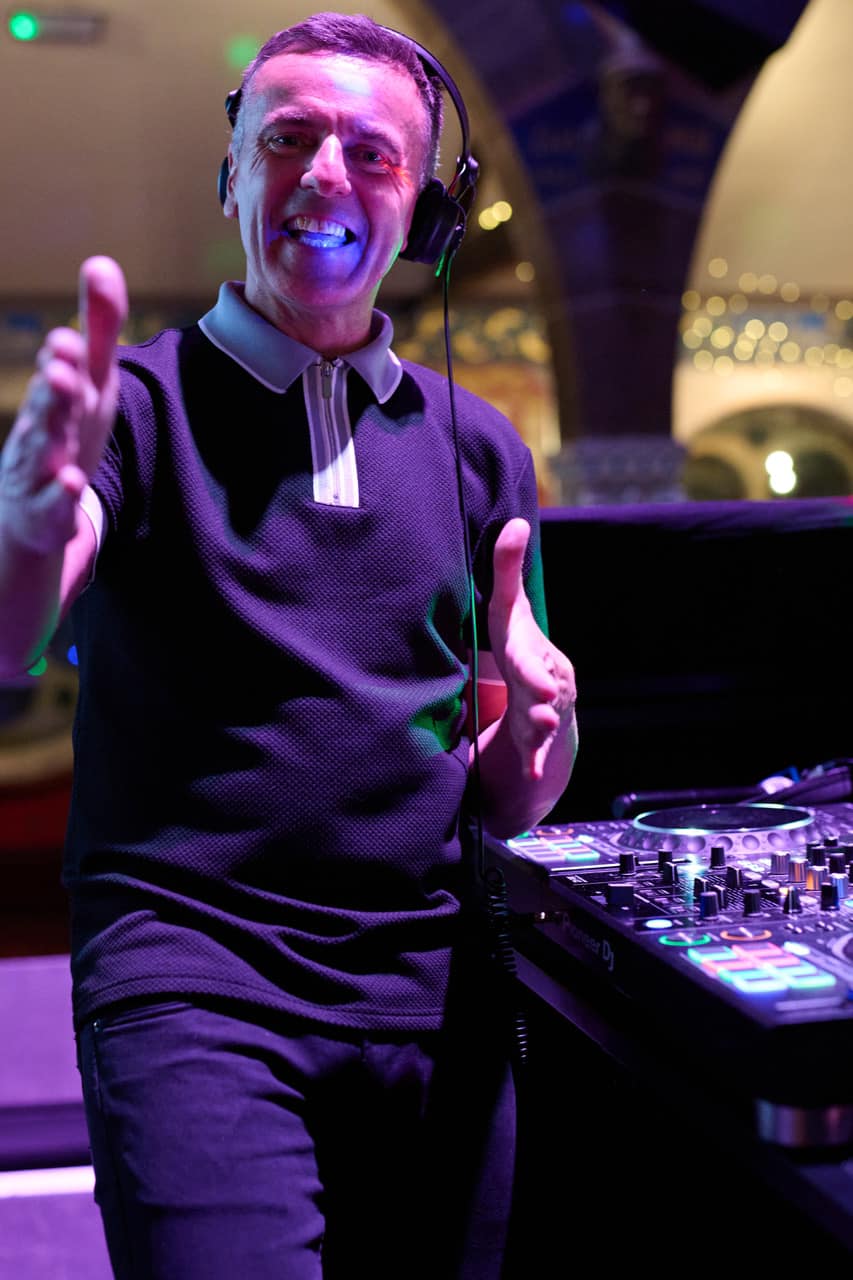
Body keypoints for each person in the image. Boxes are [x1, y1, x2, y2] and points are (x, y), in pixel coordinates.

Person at [0, 13, 577, 1278]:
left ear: (421, 211)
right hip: (191, 979)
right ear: (232, 178)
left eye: (371, 153)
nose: (325, 173)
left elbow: (503, 779)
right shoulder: (137, 410)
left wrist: (540, 749)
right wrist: (25, 526)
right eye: (288, 139)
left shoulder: (481, 448)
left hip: (433, 985)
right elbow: (10, 631)